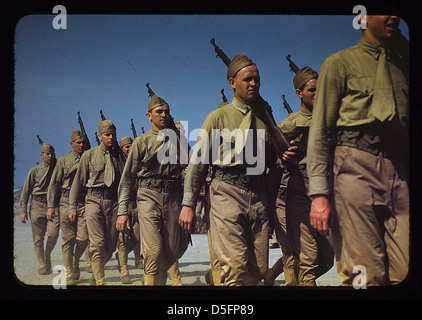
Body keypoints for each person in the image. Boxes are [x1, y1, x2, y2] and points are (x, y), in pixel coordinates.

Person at [307, 15, 409, 286]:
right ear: (363, 17)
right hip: (354, 167)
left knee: (406, 271)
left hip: (400, 171)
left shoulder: (404, 66)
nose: (394, 14)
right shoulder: (339, 63)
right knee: (365, 275)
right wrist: (319, 193)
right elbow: (321, 130)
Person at [179, 54, 296, 286]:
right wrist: (188, 204)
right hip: (226, 193)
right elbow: (198, 163)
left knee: (258, 270)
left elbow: (273, 163)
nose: (254, 83)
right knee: (235, 267)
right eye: (247, 79)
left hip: (259, 196)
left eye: (257, 79)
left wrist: (285, 156)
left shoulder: (266, 120)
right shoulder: (217, 117)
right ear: (232, 83)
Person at [117, 94, 189, 286]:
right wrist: (122, 212)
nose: (163, 115)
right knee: (153, 251)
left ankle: (155, 281)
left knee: (173, 251)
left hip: (173, 197)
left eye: (166, 112)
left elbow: (189, 170)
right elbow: (127, 180)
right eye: (159, 112)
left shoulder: (178, 141)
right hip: (148, 196)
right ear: (149, 116)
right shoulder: (141, 142)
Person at [278, 67, 334, 286]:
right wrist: (284, 156)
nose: (317, 94)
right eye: (312, 90)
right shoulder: (288, 125)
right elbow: (270, 161)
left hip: (327, 192)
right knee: (308, 259)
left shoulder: (331, 120)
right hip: (299, 190)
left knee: (328, 259)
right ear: (298, 93)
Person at [69, 120, 122, 285]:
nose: (111, 137)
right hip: (93, 200)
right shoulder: (89, 155)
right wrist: (72, 207)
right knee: (97, 243)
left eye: (113, 134)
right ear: (100, 136)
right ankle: (100, 282)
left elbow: (126, 182)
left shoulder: (119, 156)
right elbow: (77, 183)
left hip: (113, 202)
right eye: (107, 135)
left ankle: (95, 275)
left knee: (111, 245)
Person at [46, 130, 89, 285]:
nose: (81, 145)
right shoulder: (63, 161)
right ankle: (70, 272)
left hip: (83, 201)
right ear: (71, 144)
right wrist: (51, 206)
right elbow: (54, 185)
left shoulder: (88, 157)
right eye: (78, 143)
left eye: (83, 143)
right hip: (65, 201)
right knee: (68, 239)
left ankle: (75, 260)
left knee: (83, 238)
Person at [20, 142, 59, 275]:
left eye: (52, 154)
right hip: (36, 205)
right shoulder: (34, 171)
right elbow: (25, 192)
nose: (50, 156)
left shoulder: (57, 168)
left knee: (53, 234)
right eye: (47, 154)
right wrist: (23, 210)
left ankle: (47, 255)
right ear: (41, 155)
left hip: (52, 206)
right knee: (38, 237)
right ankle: (41, 262)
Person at [114, 136, 143, 284]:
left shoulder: (139, 161)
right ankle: (124, 269)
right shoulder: (118, 162)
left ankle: (122, 258)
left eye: (131, 146)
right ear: (122, 149)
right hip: (123, 204)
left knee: (138, 237)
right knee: (122, 239)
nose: (130, 149)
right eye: (126, 147)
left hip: (137, 204)